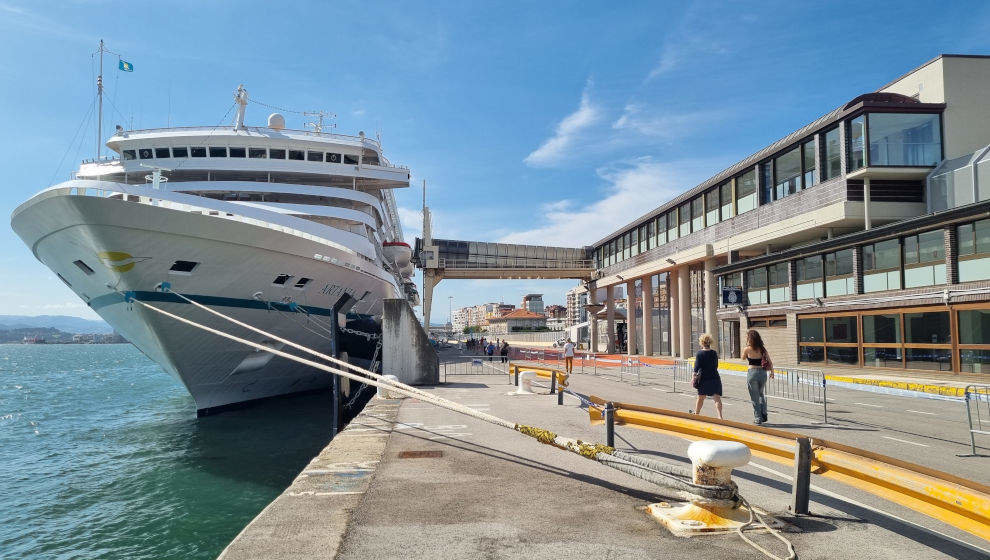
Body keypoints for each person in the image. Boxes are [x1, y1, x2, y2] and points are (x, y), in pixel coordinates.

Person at [743, 329, 774, 425]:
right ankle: (764, 413)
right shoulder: (763, 349)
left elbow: (743, 358)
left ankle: (758, 418)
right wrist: (772, 372)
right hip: (762, 373)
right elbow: (770, 361)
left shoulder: (747, 349)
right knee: (761, 394)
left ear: (750, 338)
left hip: (752, 373)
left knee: (754, 397)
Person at [692, 334, 723, 419]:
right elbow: (716, 365)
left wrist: (693, 378)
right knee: (717, 398)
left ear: (702, 343)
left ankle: (696, 414)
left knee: (701, 397)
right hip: (714, 377)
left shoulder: (699, 353)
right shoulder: (714, 353)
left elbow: (696, 367)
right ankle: (720, 416)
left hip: (704, 379)